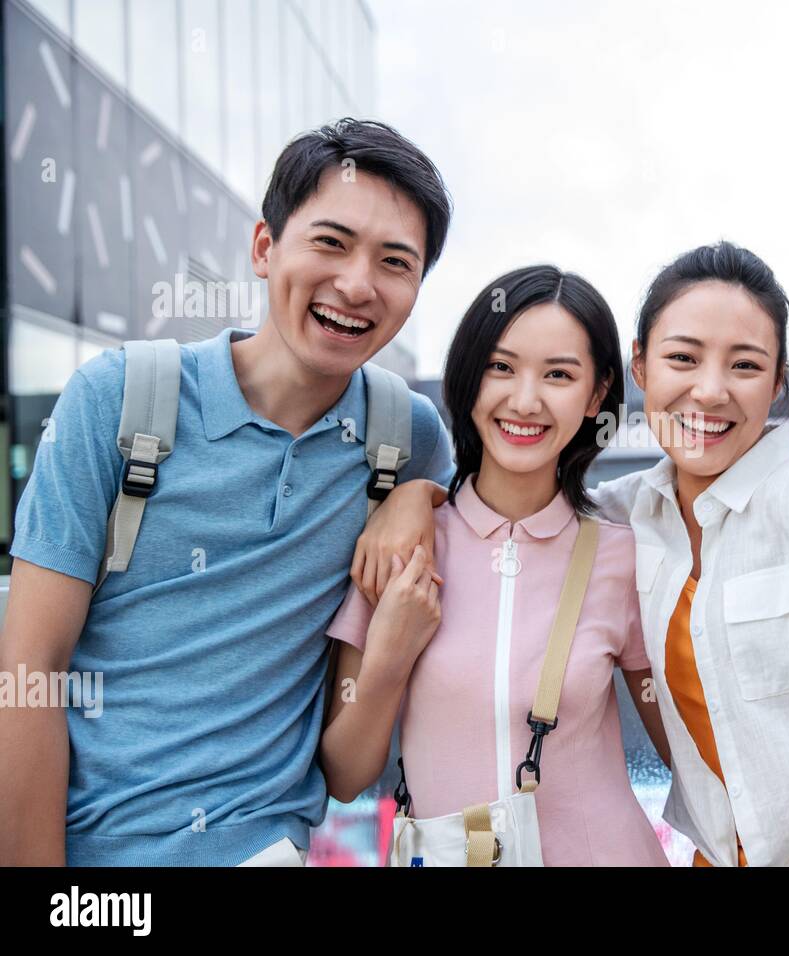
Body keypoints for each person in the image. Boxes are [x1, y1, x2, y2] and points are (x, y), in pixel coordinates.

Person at [358, 242, 789, 866]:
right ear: (639, 368)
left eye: (744, 366)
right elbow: (513, 509)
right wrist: (414, 494)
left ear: (778, 381)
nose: (709, 392)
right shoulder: (624, 516)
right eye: (682, 358)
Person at [0, 118, 456, 866]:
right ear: (264, 248)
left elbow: (498, 504)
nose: (356, 284)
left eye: (395, 261)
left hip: (267, 850)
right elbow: (28, 673)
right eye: (331, 242)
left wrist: (417, 494)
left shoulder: (406, 439)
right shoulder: (118, 398)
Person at [321, 266, 670, 866]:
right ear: (468, 375)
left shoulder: (623, 555)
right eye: (501, 367)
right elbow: (347, 775)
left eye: (558, 374)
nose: (525, 400)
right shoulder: (401, 549)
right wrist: (391, 656)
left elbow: (683, 747)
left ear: (595, 395)